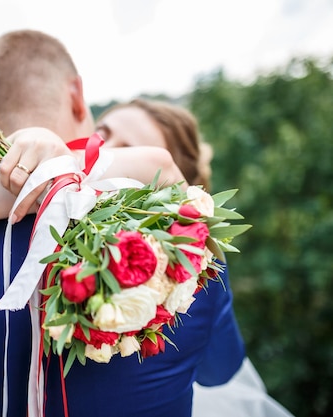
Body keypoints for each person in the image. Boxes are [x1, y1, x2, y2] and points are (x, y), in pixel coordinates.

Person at [0, 30, 245, 417]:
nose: (107, 153)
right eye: (103, 137)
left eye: (123, 150)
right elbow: (219, 371)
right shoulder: (189, 259)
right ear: (76, 96)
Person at [96, 99, 294, 417]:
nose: (107, 154)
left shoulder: (194, 272)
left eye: (133, 153)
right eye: (101, 135)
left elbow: (219, 373)